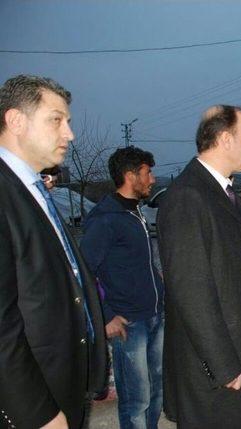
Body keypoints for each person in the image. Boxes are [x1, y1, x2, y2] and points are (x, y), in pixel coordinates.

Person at [157, 105, 241, 428]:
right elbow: (191, 290)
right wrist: (224, 365)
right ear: (226, 139)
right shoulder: (187, 196)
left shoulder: (224, 194)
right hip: (220, 372)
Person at [0, 74, 106, 428]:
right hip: (34, 404)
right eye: (56, 120)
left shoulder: (32, 188)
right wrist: (37, 412)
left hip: (62, 386)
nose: (70, 134)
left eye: (69, 122)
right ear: (16, 121)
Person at [80, 146, 164, 429]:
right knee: (136, 400)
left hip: (154, 316)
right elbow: (83, 272)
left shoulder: (135, 212)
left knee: (155, 393)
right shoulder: (105, 218)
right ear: (131, 176)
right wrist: (105, 315)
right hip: (129, 323)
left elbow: (140, 263)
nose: (152, 179)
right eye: (147, 172)